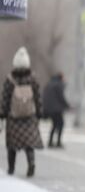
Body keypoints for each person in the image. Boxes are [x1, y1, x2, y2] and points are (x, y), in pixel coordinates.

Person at [0, 47, 44, 177]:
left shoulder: (10, 79)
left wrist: (2, 113)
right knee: (29, 143)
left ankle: (11, 168)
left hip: (13, 116)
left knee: (12, 144)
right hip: (29, 115)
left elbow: (5, 98)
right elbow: (38, 97)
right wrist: (40, 113)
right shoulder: (32, 79)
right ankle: (31, 163)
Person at [43, 72, 70, 148]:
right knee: (61, 124)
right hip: (56, 109)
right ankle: (58, 142)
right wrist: (67, 106)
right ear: (61, 78)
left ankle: (50, 141)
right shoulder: (58, 85)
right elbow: (61, 97)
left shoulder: (49, 84)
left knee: (54, 125)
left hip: (49, 109)